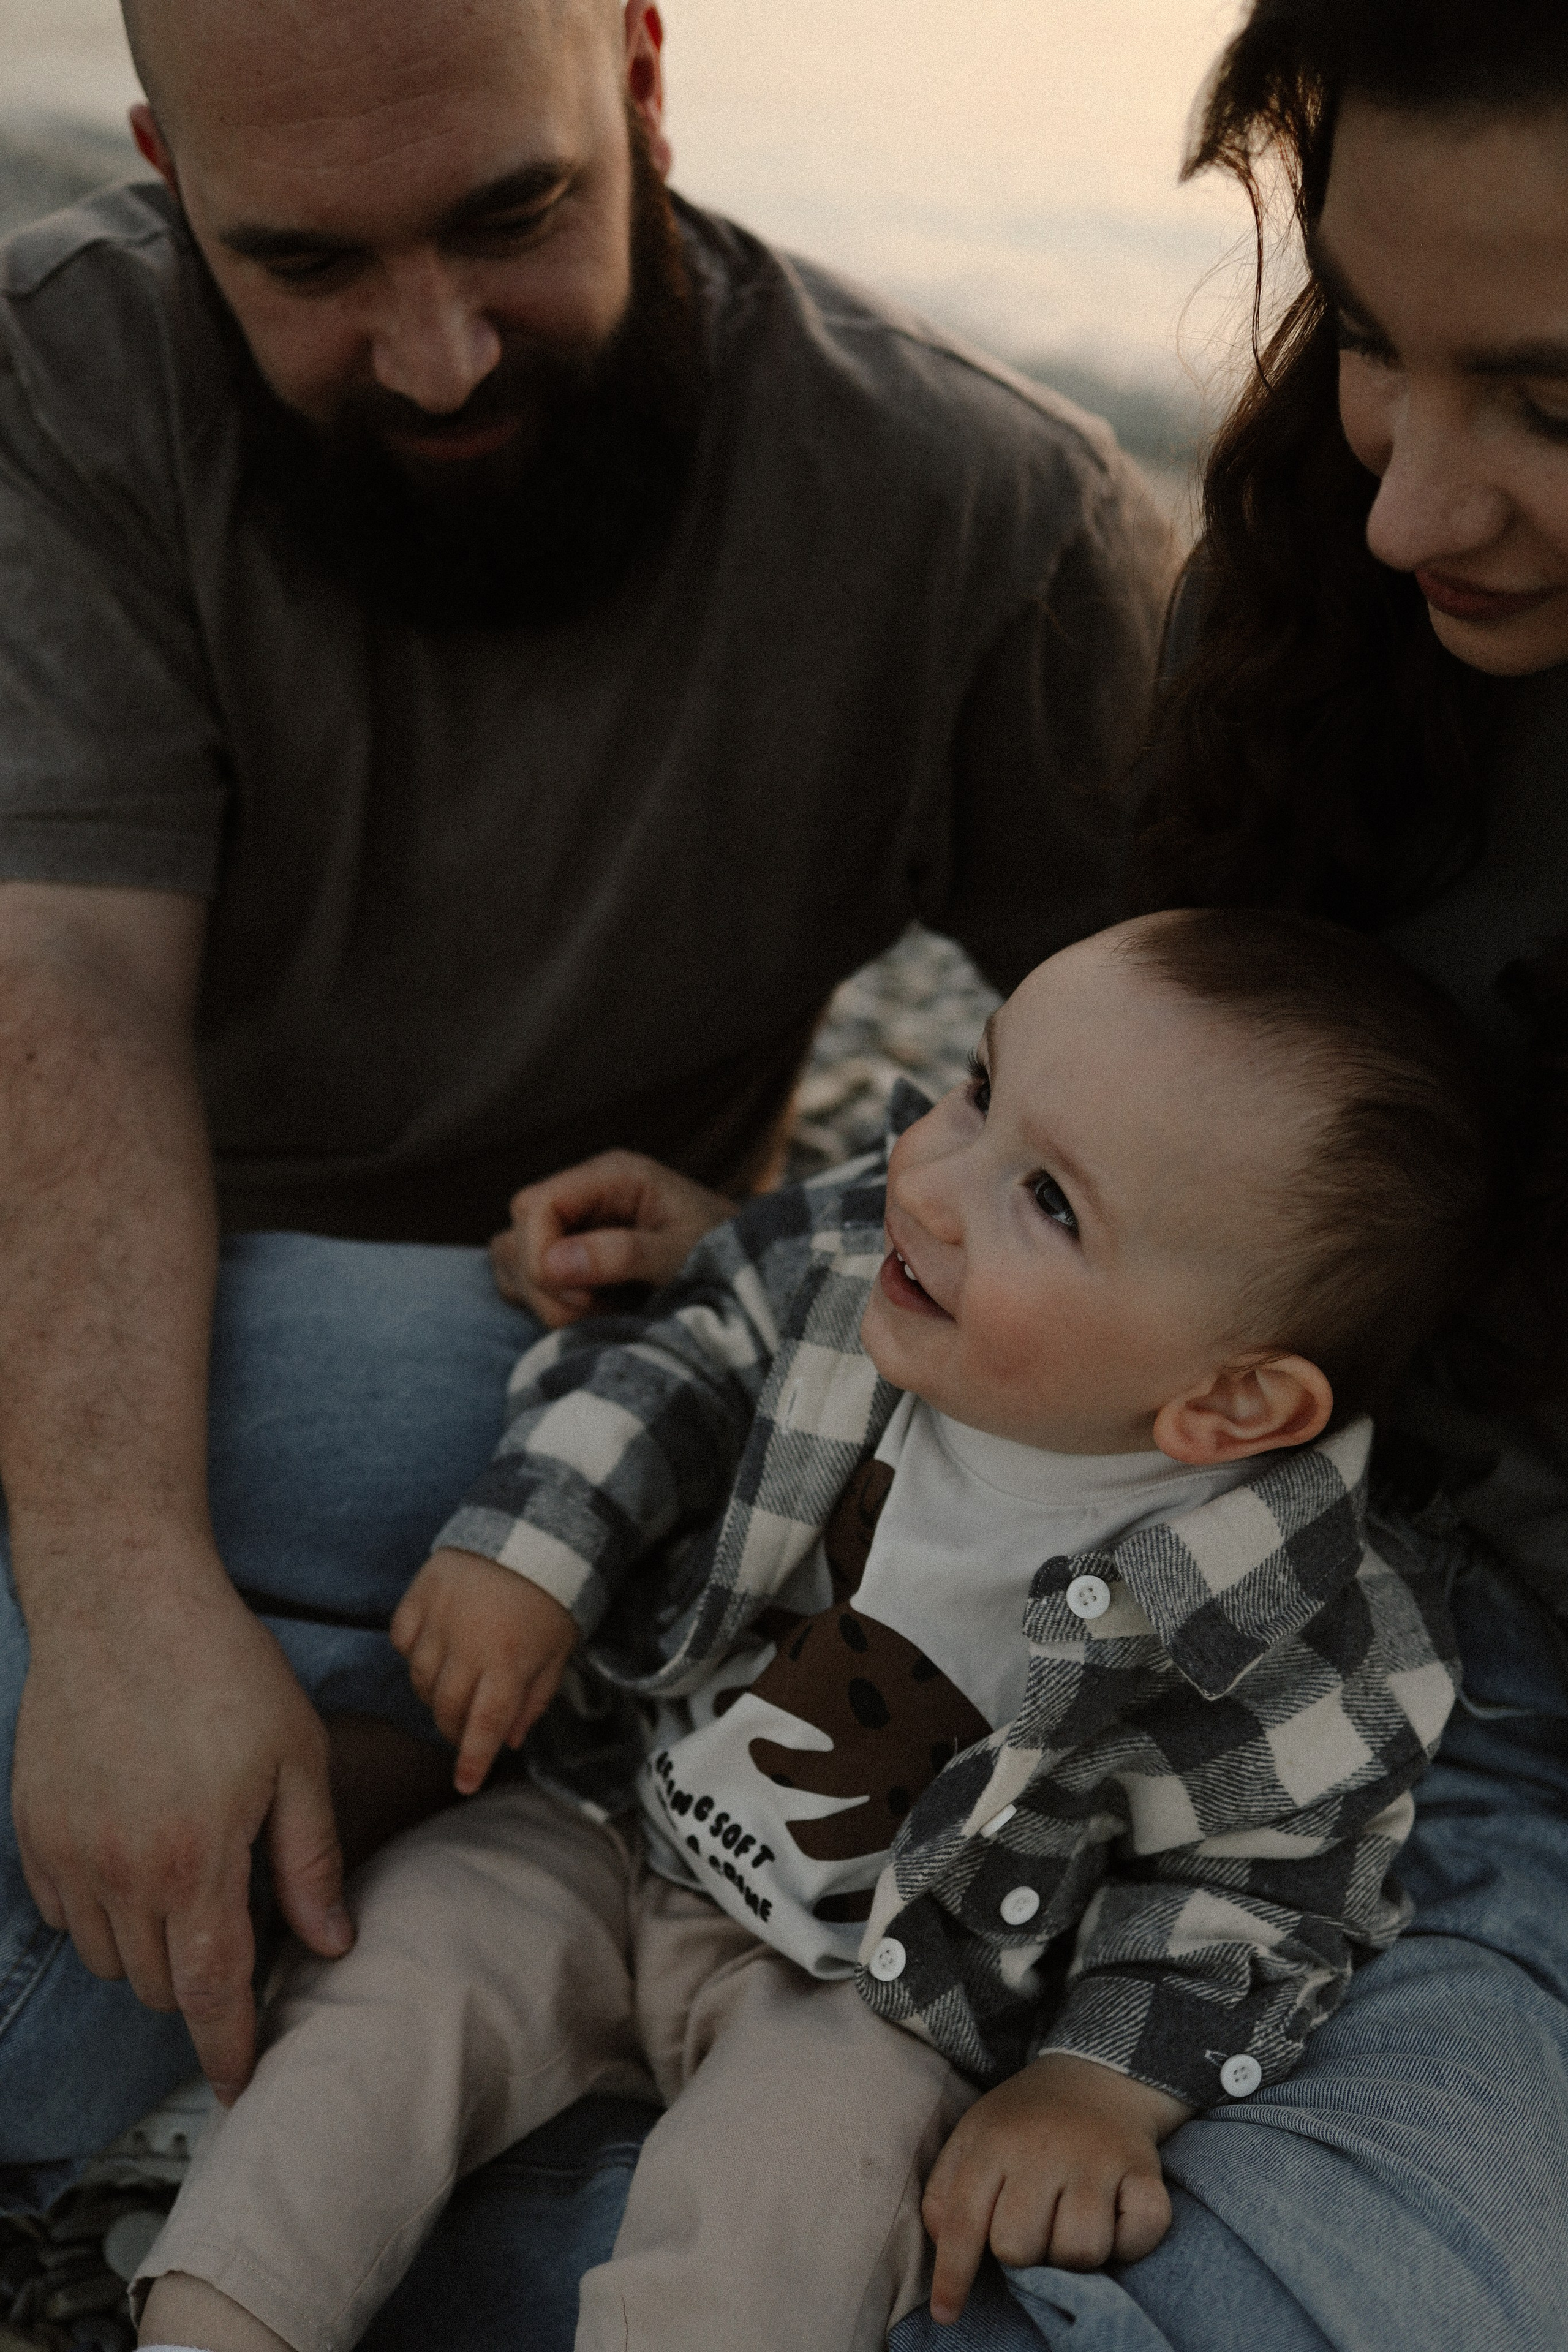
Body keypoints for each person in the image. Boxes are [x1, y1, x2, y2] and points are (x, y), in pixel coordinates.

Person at [435, 5, 1568, 2349]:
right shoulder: (1340, 604)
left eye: (1555, 406)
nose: (1401, 509)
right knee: (311, 1377)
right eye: (1366, 342)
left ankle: (535, 2123)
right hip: (1018, 1432)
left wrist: (1105, 2066)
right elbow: (1139, 1118)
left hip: (1439, 1717)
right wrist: (870, 1216)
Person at [0, 0, 1171, 2195]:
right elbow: (55, 971)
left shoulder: (980, 520)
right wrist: (122, 1589)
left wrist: (793, 1246)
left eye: (511, 216)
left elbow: (1207, 1116)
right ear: (168, 171)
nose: (436, 354)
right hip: (75, 1319)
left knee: (59, 2004)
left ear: (639, 70)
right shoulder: (57, 379)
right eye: (309, 270)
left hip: (555, 1403)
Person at [131, 906, 1489, 2352]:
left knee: (796, 2213)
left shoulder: (1291, 1625)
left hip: (876, 1994)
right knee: (387, 1998)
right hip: (609, 1821)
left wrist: (1096, 2083)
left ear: (1230, 1405)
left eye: (1048, 1201)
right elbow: (688, 1355)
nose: (929, 1180)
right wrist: (530, 1556)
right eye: (977, 1087)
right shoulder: (861, 1258)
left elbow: (1267, 1889)